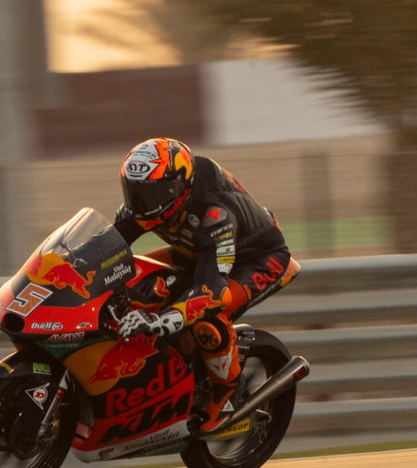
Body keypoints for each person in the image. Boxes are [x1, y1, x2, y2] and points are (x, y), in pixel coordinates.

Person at [111, 136, 300, 437]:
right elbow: (109, 252)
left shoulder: (216, 214)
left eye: (153, 192)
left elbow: (210, 293)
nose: (142, 202)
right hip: (196, 251)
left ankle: (225, 390)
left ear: (179, 185)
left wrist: (160, 321)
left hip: (255, 260)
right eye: (135, 191)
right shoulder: (146, 204)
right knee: (130, 275)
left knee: (207, 319)